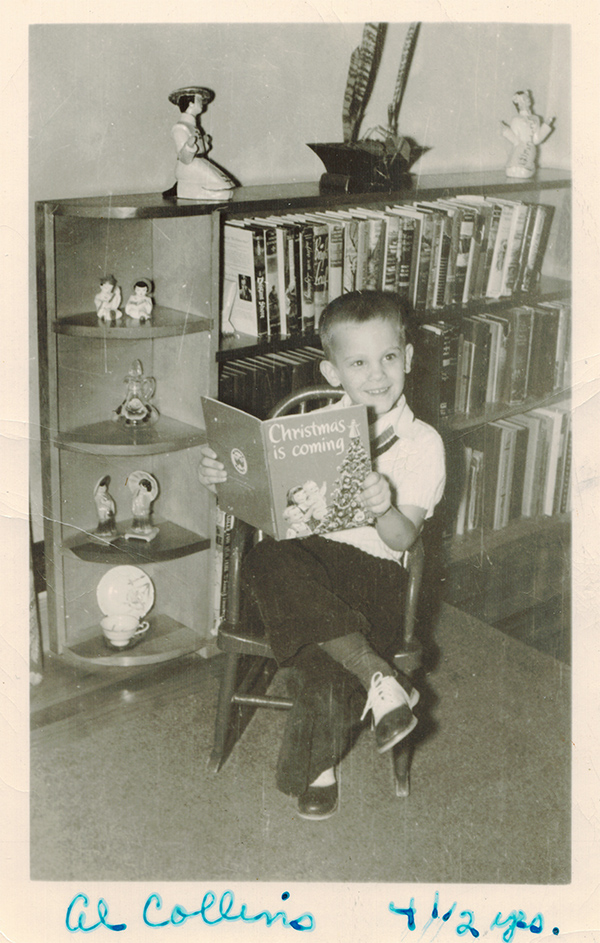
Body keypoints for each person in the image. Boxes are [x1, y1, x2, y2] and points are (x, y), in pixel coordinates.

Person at [198, 291, 445, 819]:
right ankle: (379, 677)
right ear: (332, 373)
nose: (376, 374)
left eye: (389, 357)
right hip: (306, 565)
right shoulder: (311, 429)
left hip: (377, 574)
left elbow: (404, 541)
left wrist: (383, 509)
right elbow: (267, 508)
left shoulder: (423, 443)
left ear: (409, 357)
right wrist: (225, 481)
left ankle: (321, 756)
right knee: (267, 558)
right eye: (358, 363)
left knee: (318, 657)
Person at [167, 86, 236, 201]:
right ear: (190, 104)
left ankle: (187, 189)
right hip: (189, 166)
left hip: (199, 162)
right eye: (199, 100)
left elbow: (200, 148)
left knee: (227, 186)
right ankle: (185, 189)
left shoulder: (192, 126)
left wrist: (205, 143)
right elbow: (184, 158)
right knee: (222, 191)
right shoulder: (180, 128)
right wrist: (189, 146)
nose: (202, 104)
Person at [501, 89, 554, 179]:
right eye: (525, 99)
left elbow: (536, 139)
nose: (528, 100)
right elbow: (515, 140)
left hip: (530, 150)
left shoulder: (535, 118)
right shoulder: (516, 119)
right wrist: (505, 131)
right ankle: (514, 168)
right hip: (519, 151)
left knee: (525, 170)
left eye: (528, 98)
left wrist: (546, 125)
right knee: (515, 168)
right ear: (519, 103)